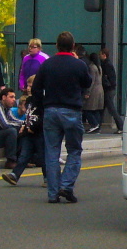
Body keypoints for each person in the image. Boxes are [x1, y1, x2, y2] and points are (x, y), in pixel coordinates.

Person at [31, 31, 91, 204]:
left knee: (51, 152)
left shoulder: (47, 64)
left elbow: (36, 88)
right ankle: (66, 185)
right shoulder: (78, 64)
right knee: (74, 150)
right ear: (73, 46)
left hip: (50, 109)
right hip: (71, 110)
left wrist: (41, 105)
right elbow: (87, 83)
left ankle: (53, 193)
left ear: (56, 45)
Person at [3, 78, 45, 186]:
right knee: (24, 155)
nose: (28, 88)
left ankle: (48, 177)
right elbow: (28, 116)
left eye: (31, 86)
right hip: (28, 131)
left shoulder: (43, 100)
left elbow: (43, 117)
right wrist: (24, 126)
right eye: (28, 86)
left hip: (39, 132)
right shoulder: (29, 101)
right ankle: (15, 175)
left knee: (42, 156)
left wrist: (34, 127)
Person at [99, 47, 124, 134]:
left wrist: (106, 84)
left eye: (100, 54)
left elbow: (110, 78)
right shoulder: (106, 64)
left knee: (111, 109)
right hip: (109, 89)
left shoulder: (107, 64)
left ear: (104, 55)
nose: (99, 56)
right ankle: (97, 126)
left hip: (108, 90)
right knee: (103, 108)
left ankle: (121, 126)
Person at [83, 52, 105, 134]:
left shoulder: (92, 67)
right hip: (100, 90)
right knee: (96, 109)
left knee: (87, 109)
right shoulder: (99, 67)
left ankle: (94, 124)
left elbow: (91, 81)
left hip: (94, 91)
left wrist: (87, 92)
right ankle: (98, 126)